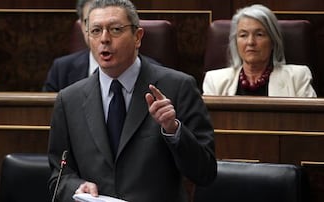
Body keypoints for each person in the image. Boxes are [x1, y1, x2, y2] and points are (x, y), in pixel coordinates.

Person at [47, 0, 217, 201]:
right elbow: (59, 175)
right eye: (95, 30)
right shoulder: (69, 100)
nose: (104, 39)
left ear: (138, 37)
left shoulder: (178, 87)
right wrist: (76, 187)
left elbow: (205, 172)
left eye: (115, 30)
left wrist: (174, 130)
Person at [202, 4, 316, 97]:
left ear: (273, 41)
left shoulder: (297, 78)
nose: (250, 42)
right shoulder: (215, 81)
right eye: (243, 35)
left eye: (259, 35)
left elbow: (310, 123)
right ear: (235, 42)